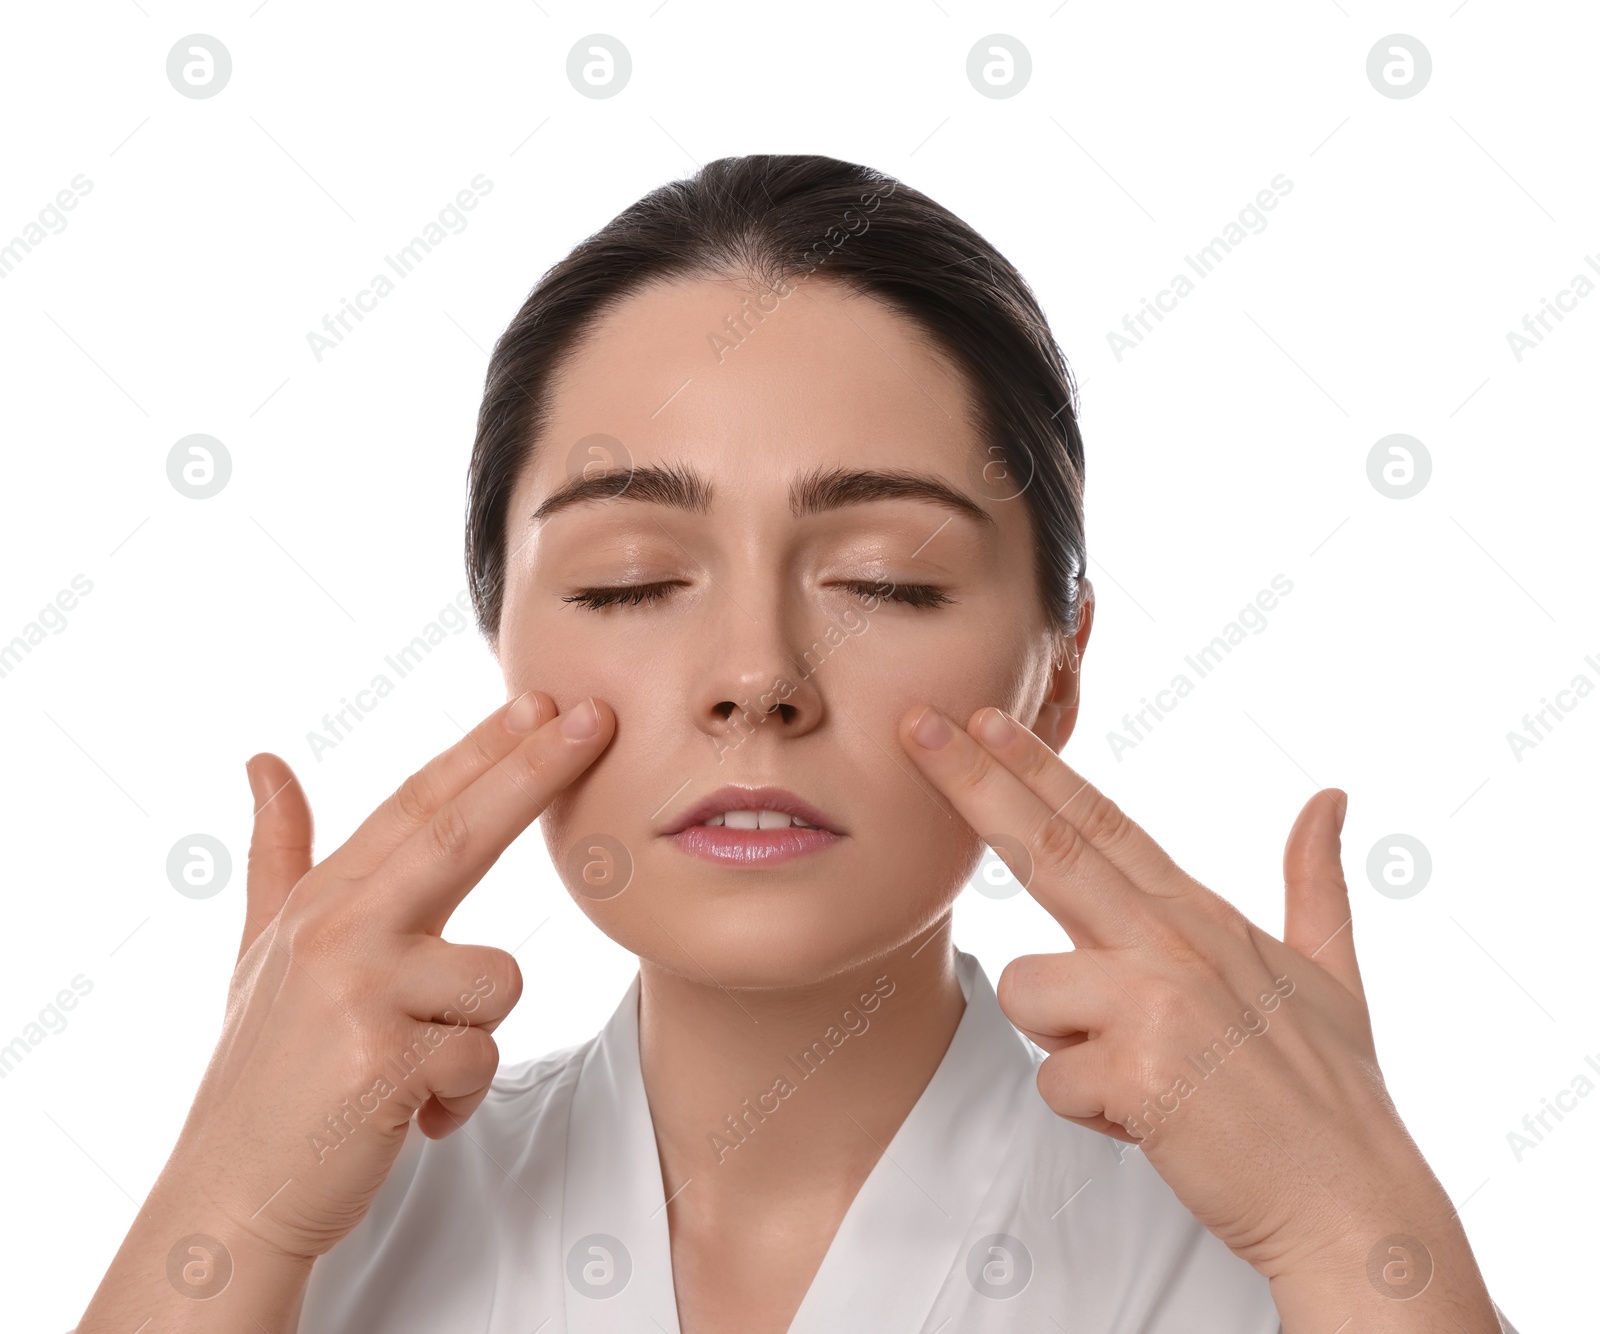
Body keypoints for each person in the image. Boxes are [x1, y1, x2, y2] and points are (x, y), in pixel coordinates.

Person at [75, 154, 1516, 1333]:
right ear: (505, 643)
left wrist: (1361, 1227)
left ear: (1058, 672)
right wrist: (221, 1206)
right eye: (629, 578)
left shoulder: (1265, 1258)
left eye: (886, 577)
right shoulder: (319, 1240)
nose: (758, 676)